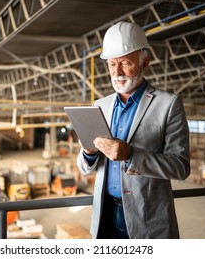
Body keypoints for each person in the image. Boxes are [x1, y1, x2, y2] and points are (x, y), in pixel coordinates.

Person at [76, 21, 190, 239]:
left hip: (147, 218)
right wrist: (88, 154)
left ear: (144, 63)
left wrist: (131, 155)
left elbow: (180, 167)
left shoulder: (168, 104)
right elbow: (85, 169)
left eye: (125, 63)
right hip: (104, 216)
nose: (117, 72)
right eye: (111, 64)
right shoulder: (100, 105)